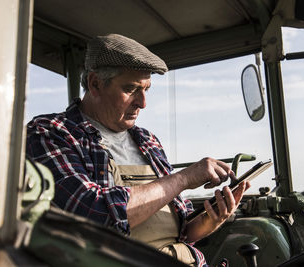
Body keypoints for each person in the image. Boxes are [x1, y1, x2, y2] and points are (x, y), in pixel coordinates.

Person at [26, 34, 249, 267]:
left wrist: (211, 220)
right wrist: (183, 178)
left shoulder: (147, 140)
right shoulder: (51, 133)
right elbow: (94, 216)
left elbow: (177, 233)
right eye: (131, 89)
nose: (142, 103)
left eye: (146, 90)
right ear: (95, 84)